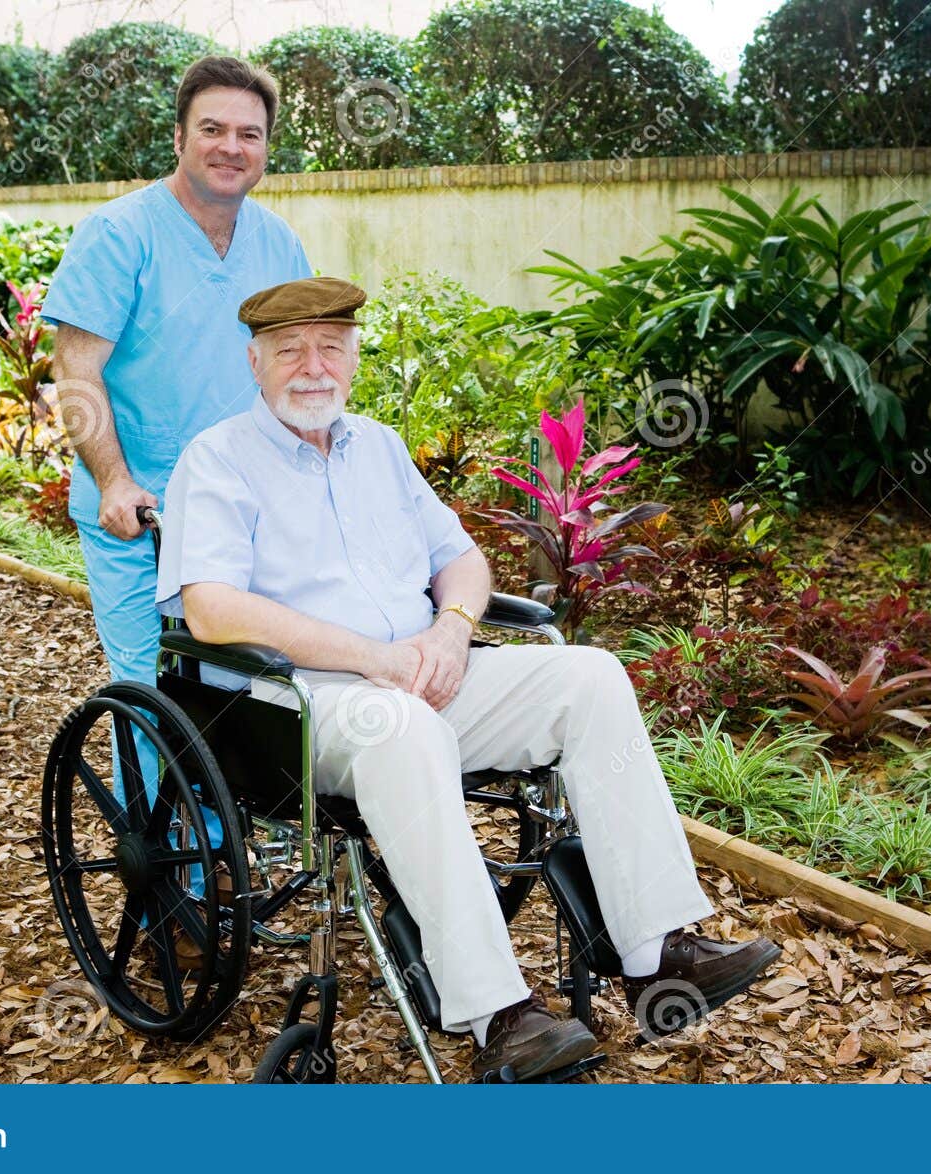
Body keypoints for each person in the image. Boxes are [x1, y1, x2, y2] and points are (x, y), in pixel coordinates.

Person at [155, 276, 782, 1082]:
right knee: (405, 728)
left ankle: (657, 950)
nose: (313, 367)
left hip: (422, 673)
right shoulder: (217, 460)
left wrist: (453, 629)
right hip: (301, 705)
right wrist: (372, 658)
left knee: (590, 678)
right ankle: (499, 1018)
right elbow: (209, 608)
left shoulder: (379, 447)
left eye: (331, 348)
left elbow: (462, 560)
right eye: (290, 350)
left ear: (353, 358)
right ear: (255, 362)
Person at [42, 56, 312, 686]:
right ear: (179, 137)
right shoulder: (117, 234)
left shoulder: (280, 244)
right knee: (153, 689)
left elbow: (300, 373)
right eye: (212, 129)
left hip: (248, 512)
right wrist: (114, 481)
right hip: (142, 514)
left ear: (266, 149)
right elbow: (76, 368)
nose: (231, 147)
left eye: (249, 134)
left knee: (248, 687)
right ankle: (144, 761)